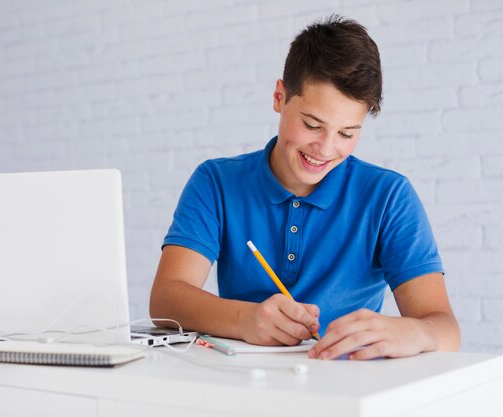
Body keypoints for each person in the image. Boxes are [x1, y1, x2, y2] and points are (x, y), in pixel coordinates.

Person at [149, 15, 460, 360]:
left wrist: (414, 331)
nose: (326, 148)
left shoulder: (388, 196)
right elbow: (166, 298)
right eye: (313, 125)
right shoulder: (216, 182)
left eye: (347, 133)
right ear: (280, 97)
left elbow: (444, 327)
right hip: (243, 384)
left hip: (349, 391)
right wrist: (245, 319)